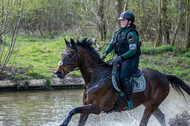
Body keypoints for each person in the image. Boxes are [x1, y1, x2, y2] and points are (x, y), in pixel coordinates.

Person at [101, 11, 141, 109]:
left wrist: (121, 57)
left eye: (123, 20)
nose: (121, 22)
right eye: (121, 20)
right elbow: (111, 44)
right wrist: (105, 53)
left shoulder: (131, 34)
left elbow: (133, 50)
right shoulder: (117, 32)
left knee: (123, 77)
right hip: (120, 58)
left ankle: (130, 101)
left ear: (129, 22)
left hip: (131, 60)